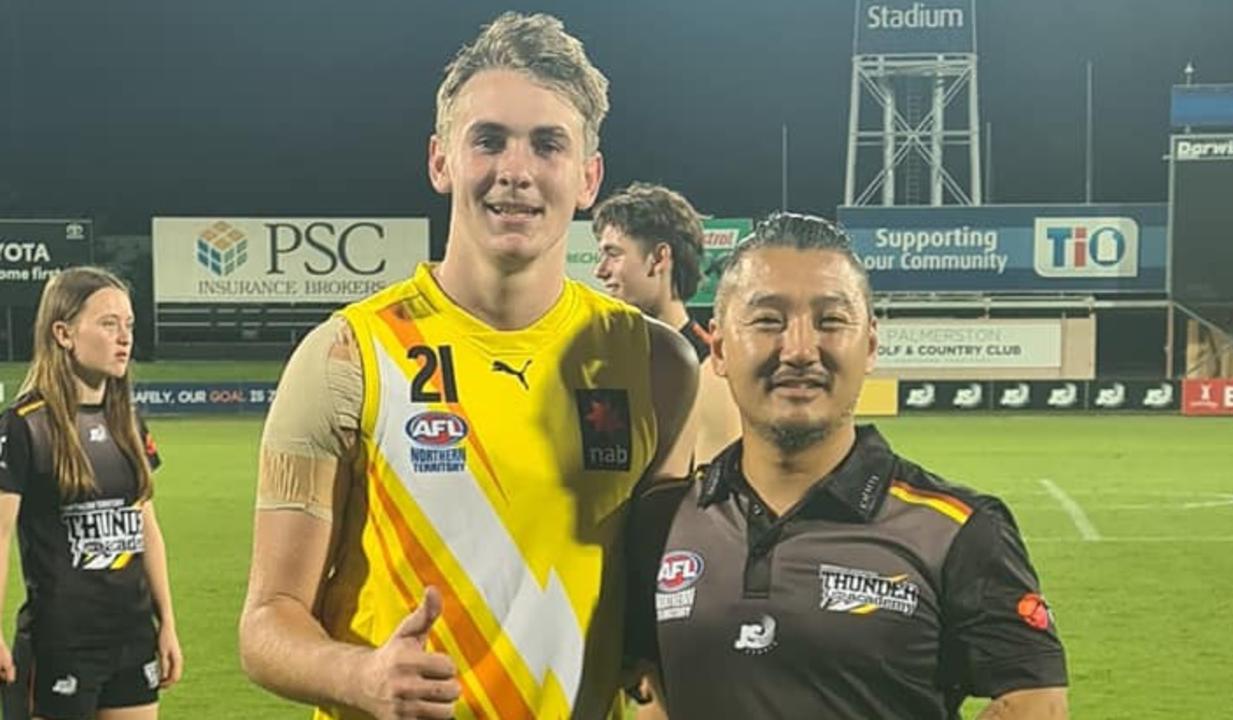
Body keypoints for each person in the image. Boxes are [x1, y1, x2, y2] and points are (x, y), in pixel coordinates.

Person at [238, 12, 699, 720]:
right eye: (488, 140)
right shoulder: (344, 357)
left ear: (587, 177)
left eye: (548, 144)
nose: (515, 171)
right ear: (440, 160)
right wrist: (359, 676)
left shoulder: (656, 364)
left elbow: (657, 607)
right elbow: (267, 621)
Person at [627, 213, 1068, 719]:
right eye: (768, 320)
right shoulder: (662, 521)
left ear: (872, 345)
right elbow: (651, 692)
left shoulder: (957, 530)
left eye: (831, 321)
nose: (798, 350)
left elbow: (1036, 701)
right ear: (721, 348)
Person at [0, 267, 182, 720]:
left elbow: (147, 530)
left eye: (129, 325)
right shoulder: (25, 426)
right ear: (63, 333)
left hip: (132, 640)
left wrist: (168, 625)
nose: (124, 338)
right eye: (108, 323)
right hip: (60, 645)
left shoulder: (129, 424)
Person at [592, 182, 740, 463]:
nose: (599, 270)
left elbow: (710, 500)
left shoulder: (711, 370)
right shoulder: (600, 363)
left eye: (613, 254)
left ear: (659, 258)